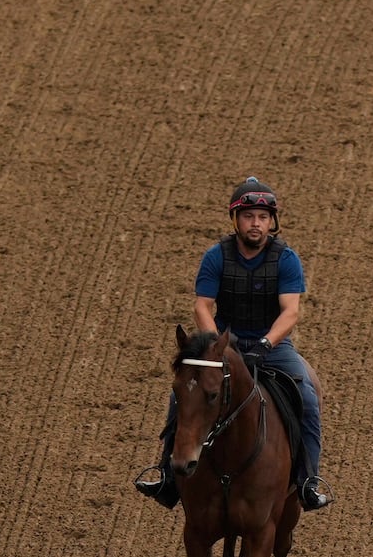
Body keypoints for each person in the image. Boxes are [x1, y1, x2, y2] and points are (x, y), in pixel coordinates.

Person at [136, 177, 330, 511]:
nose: (256, 223)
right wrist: (216, 346)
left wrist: (265, 344)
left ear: (271, 222)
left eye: (263, 217)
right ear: (235, 220)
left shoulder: (286, 259)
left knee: (308, 398)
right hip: (226, 343)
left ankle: (307, 481)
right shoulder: (216, 257)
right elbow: (202, 306)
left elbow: (291, 311)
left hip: (273, 347)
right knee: (181, 395)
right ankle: (168, 475)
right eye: (248, 216)